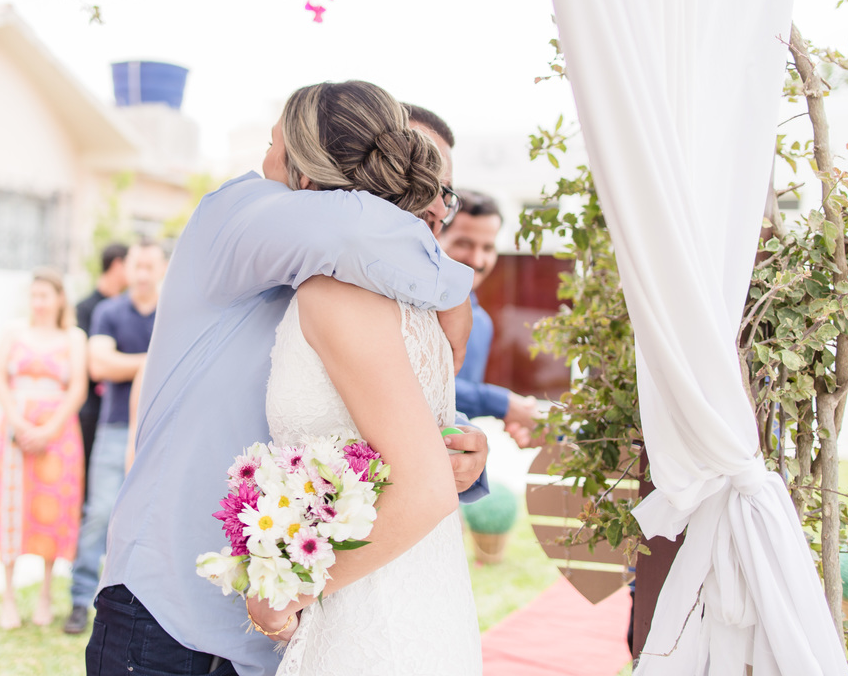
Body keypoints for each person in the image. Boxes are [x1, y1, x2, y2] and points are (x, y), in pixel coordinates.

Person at [86, 81, 485, 676]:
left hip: (296, 627)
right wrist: (456, 280)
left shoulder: (383, 285)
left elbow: (389, 419)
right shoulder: (239, 216)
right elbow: (348, 228)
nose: (428, 202)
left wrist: (462, 451)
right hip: (174, 606)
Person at [255, 81, 481, 674]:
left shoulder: (337, 294)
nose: (262, 165)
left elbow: (427, 485)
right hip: (418, 594)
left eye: (275, 147)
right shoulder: (424, 296)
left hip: (373, 619)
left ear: (306, 178)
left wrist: (284, 592)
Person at [63, 241, 165, 635]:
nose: (142, 272)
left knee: (151, 516)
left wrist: (127, 364)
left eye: (149, 265)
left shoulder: (173, 312)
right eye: (136, 265)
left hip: (156, 429)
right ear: (127, 268)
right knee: (101, 511)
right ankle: (79, 599)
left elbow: (114, 361)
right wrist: (156, 361)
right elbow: (99, 363)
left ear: (162, 267)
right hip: (116, 424)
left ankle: (140, 598)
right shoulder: (109, 311)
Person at [0, 268, 88, 630]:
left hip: (57, 432)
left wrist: (48, 429)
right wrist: (17, 420)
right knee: (12, 507)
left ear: (59, 298)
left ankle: (45, 593)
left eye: (46, 295)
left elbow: (78, 386)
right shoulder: (14, 331)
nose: (39, 303)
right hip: (16, 426)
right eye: (35, 295)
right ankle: (8, 596)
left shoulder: (73, 336)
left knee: (50, 507)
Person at [439, 188, 540, 446]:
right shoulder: (410, 307)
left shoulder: (481, 323)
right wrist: (503, 404)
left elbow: (455, 409)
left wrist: (517, 417)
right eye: (464, 243)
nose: (477, 260)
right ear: (436, 236)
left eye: (488, 247)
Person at [75, 243, 128, 473]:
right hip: (91, 409)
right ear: (117, 265)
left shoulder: (127, 309)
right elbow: (92, 364)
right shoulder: (85, 308)